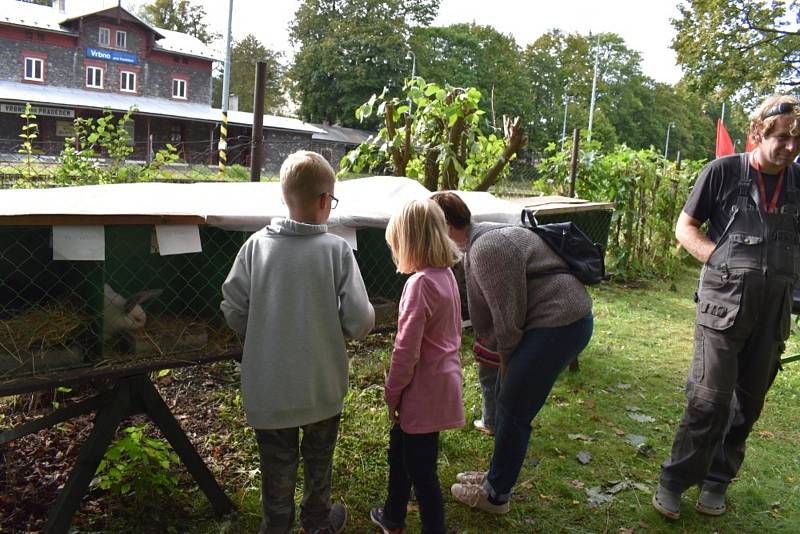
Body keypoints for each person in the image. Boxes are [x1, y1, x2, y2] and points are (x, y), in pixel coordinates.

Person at [652, 95, 800, 520]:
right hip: (723, 308)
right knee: (708, 399)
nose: (791, 147)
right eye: (783, 138)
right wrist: (716, 261)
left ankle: (717, 481)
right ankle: (675, 481)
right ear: (759, 133)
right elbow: (685, 227)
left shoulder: (799, 182)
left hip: (773, 314)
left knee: (748, 405)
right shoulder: (722, 172)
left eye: (798, 140)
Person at [220, 150, 375, 534]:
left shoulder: (256, 247)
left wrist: (261, 331)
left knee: (277, 468)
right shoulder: (337, 251)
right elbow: (359, 320)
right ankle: (318, 522)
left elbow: (233, 307)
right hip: (320, 388)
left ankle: (277, 526)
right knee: (319, 461)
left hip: (269, 390)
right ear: (325, 201)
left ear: (285, 196)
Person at [430, 192, 594, 514]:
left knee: (514, 407)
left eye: (430, 228)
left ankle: (496, 495)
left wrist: (506, 364)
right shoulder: (481, 239)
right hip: (559, 320)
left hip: (560, 324)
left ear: (447, 227)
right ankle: (495, 476)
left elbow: (508, 322)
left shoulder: (487, 248)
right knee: (510, 402)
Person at [370, 199, 464, 534]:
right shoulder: (446, 277)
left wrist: (392, 392)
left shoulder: (419, 284)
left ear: (409, 243)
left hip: (420, 392)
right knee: (401, 452)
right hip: (442, 386)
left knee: (422, 472)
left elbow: (405, 350)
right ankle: (393, 515)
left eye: (396, 245)